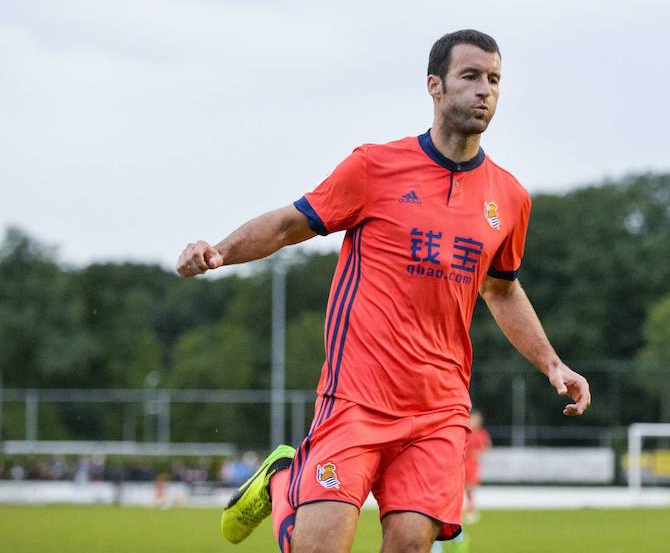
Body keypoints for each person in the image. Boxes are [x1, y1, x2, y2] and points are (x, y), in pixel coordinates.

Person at [176, 29, 591, 553]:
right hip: (356, 396)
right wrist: (218, 251)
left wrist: (552, 363)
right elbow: (287, 224)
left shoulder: (509, 197)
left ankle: (291, 479)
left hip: (438, 408)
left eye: (494, 79)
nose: (484, 89)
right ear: (435, 85)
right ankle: (283, 478)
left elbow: (502, 290)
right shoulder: (375, 166)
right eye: (470, 76)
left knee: (412, 545)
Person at [463, 409, 491, 524]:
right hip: (461, 462)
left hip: (472, 464)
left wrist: (479, 454)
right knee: (460, 488)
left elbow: (486, 447)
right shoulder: (465, 431)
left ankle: (471, 510)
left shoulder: (482, 433)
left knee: (470, 488)